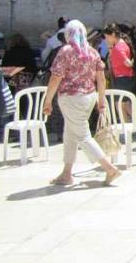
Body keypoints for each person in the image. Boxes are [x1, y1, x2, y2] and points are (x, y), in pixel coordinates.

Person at [43, 20, 122, 187]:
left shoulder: (65, 51)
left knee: (83, 136)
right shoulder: (92, 52)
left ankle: (110, 169)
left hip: (72, 98)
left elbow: (55, 77)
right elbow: (101, 78)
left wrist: (47, 100)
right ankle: (66, 173)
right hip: (89, 96)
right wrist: (101, 100)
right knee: (70, 134)